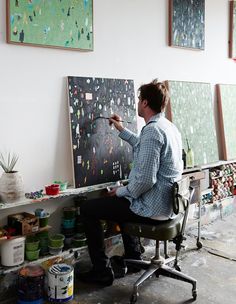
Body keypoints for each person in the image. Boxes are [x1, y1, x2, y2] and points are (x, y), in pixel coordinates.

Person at [78, 79, 183, 286]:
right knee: (122, 203)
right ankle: (134, 258)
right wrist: (120, 129)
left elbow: (144, 181)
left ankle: (101, 271)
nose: (137, 103)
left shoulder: (153, 130)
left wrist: (119, 191)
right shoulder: (167, 126)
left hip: (154, 207)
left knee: (88, 208)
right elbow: (143, 146)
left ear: (144, 103)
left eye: (138, 100)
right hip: (168, 204)